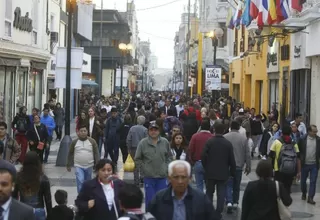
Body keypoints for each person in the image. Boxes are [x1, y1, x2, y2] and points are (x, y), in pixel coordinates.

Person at [148, 160, 216, 220]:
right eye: (176, 177)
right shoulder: (159, 198)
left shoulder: (201, 199)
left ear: (190, 178)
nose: (180, 181)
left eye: (183, 177)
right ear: (169, 179)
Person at [201, 123, 236, 220]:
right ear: (224, 130)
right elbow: (232, 160)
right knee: (221, 193)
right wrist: (232, 172)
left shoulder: (209, 142)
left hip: (210, 172)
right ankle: (218, 212)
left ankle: (209, 210)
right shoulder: (228, 144)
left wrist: (206, 166)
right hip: (223, 172)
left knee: (209, 192)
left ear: (214, 130)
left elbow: (203, 155)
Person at [135, 121, 172, 208]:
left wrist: (166, 168)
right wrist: (144, 169)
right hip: (149, 177)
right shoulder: (143, 143)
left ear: (159, 131)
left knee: (162, 200)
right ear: (148, 131)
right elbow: (137, 158)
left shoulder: (165, 142)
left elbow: (169, 157)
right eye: (151, 130)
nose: (153, 132)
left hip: (162, 177)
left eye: (155, 130)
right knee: (150, 200)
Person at [13, 151, 52, 220]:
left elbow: (14, 196)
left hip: (23, 209)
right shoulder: (43, 178)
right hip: (39, 210)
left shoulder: (19, 176)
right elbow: (48, 199)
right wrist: (50, 215)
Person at [223, 120, 251, 212]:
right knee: (236, 185)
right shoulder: (243, 139)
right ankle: (235, 202)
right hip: (239, 165)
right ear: (239, 128)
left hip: (227, 165)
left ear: (230, 127)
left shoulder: (225, 137)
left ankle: (229, 201)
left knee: (228, 184)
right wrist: (248, 165)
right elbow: (247, 153)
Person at [67, 125, 100, 193]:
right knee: (80, 181)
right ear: (78, 132)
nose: (83, 132)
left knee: (88, 183)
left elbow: (96, 153)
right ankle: (80, 197)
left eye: (84, 131)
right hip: (78, 165)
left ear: (87, 132)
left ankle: (87, 196)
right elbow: (70, 153)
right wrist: (68, 164)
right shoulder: (74, 142)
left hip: (89, 165)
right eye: (81, 131)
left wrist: (98, 164)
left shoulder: (92, 141)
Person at [269, 125, 301, 194]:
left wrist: (270, 169)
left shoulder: (276, 142)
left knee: (278, 189)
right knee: (287, 188)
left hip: (278, 169)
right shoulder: (293, 143)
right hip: (290, 169)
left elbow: (271, 156)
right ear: (290, 133)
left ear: (281, 132)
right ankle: (286, 200)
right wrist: (298, 171)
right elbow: (298, 157)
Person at [298, 125, 320, 205]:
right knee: (303, 182)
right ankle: (304, 193)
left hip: (314, 164)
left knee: (313, 181)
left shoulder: (318, 140)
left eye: (316, 131)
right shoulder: (302, 139)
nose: (316, 133)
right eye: (314, 131)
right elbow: (298, 151)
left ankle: (310, 197)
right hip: (304, 164)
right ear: (309, 131)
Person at [189, 119, 213, 192]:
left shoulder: (195, 136)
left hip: (198, 162)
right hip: (210, 163)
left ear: (200, 127)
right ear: (209, 127)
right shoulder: (212, 137)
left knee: (199, 185)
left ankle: (200, 200)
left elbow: (190, 149)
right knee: (209, 184)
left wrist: (192, 161)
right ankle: (208, 200)